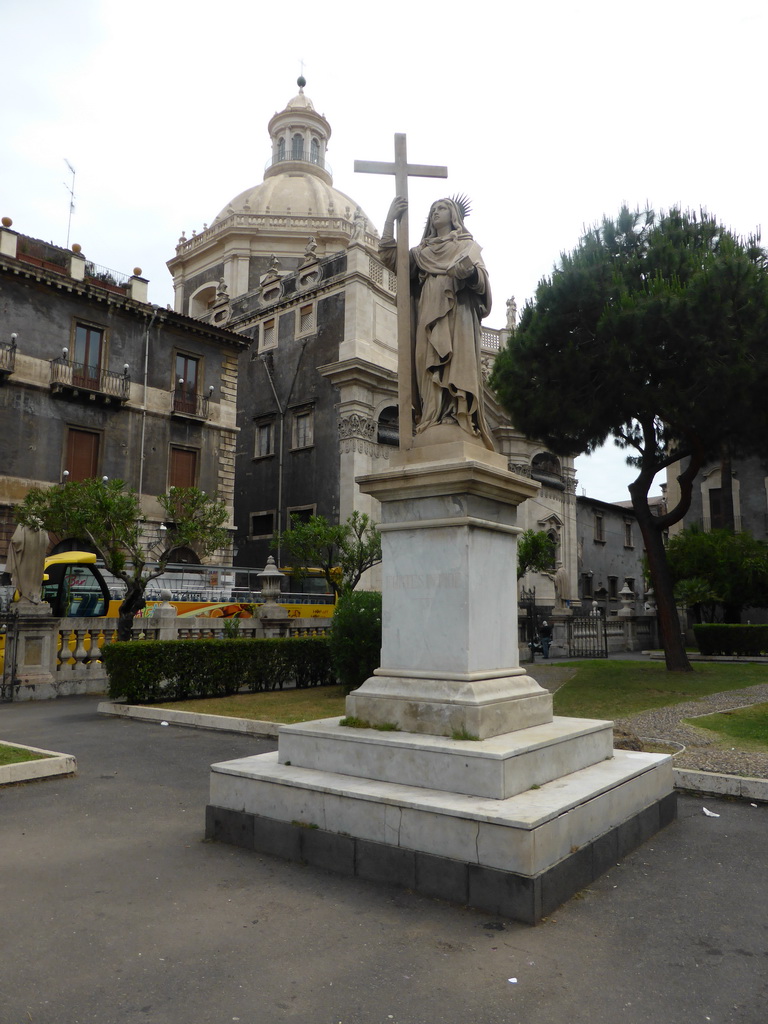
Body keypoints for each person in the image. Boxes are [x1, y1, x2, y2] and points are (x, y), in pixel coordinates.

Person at [380, 196, 494, 449]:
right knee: (427, 364)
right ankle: (432, 419)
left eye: (441, 208)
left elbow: (483, 283)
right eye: (432, 209)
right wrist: (390, 220)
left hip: (459, 316)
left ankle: (457, 416)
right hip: (428, 316)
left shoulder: (467, 246)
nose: (435, 212)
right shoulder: (421, 253)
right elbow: (390, 259)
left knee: (457, 364)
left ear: (453, 215)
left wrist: (470, 272)